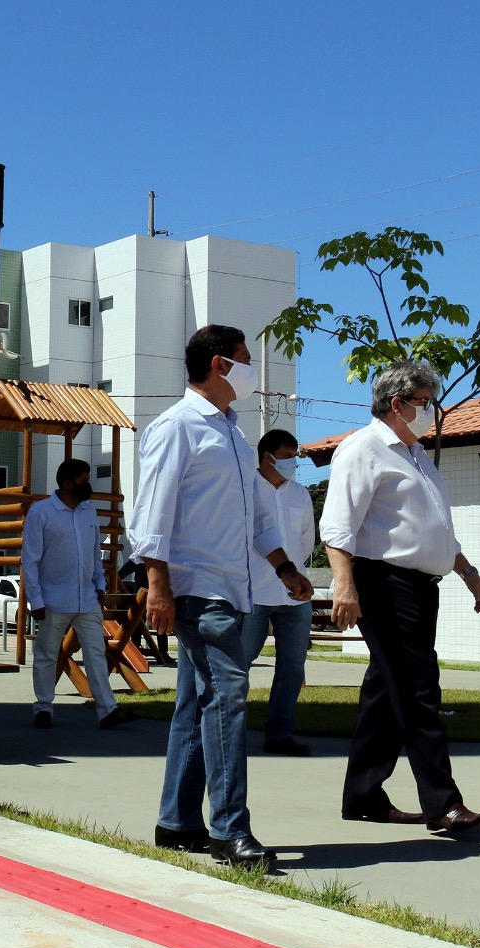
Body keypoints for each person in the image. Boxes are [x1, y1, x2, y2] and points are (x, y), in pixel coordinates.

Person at [128, 325, 313, 868]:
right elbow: (151, 514)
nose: (253, 368)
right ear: (219, 365)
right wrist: (156, 585)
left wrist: (284, 567)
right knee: (228, 697)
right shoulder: (177, 427)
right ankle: (230, 829)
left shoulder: (232, 432)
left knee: (199, 700)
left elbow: (255, 515)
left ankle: (176, 822)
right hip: (195, 589)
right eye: (245, 360)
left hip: (232, 588)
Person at [321, 360, 480, 834]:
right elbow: (337, 526)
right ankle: (442, 803)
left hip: (420, 587)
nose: (431, 412)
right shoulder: (363, 449)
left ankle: (363, 796)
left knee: (386, 691)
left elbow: (433, 531)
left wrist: (469, 573)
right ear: (397, 404)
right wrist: (345, 584)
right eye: (424, 403)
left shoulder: (416, 455)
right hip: (385, 583)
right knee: (419, 689)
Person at [22, 458, 133, 730]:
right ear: (67, 483)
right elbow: (30, 560)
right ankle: (43, 708)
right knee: (47, 653)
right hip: (52, 601)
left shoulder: (89, 513)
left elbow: (95, 555)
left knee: (96, 653)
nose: (88, 486)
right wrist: (35, 600)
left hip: (87, 599)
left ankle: (107, 710)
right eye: (83, 481)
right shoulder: (41, 513)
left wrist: (99, 585)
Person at [240, 430, 317, 757]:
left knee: (292, 668)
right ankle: (227, 734)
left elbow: (306, 542)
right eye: (288, 455)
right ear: (267, 455)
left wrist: (296, 576)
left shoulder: (300, 494)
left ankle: (280, 735)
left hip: (295, 596)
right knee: (238, 665)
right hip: (253, 592)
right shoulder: (245, 489)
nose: (293, 462)